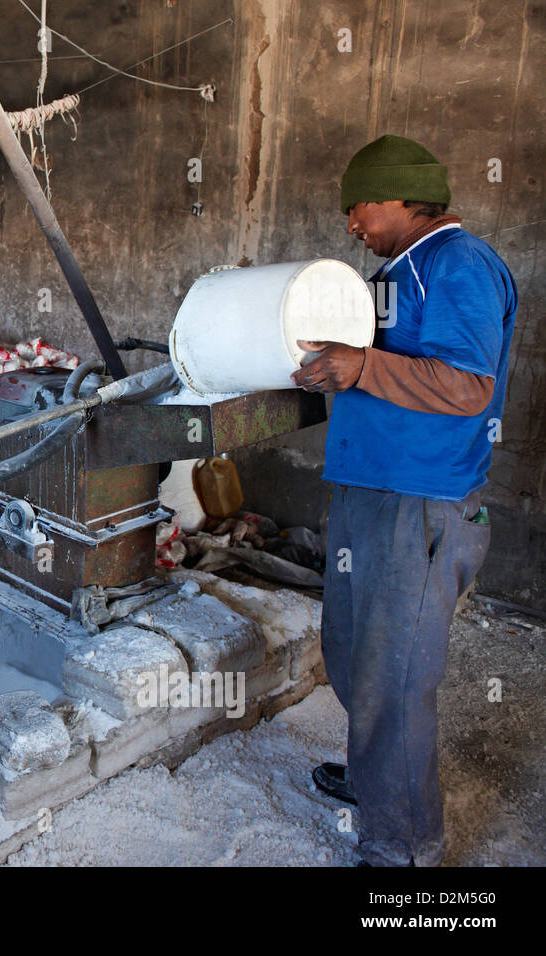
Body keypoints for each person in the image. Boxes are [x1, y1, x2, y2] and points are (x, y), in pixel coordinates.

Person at [291, 135, 517, 866]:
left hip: (420, 501)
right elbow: (386, 372)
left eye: (356, 207)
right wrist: (336, 368)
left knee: (395, 673)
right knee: (353, 651)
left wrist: (361, 365)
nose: (350, 224)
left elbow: (467, 384)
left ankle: (404, 848)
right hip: (369, 488)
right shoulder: (397, 271)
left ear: (398, 197)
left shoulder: (459, 264)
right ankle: (375, 781)